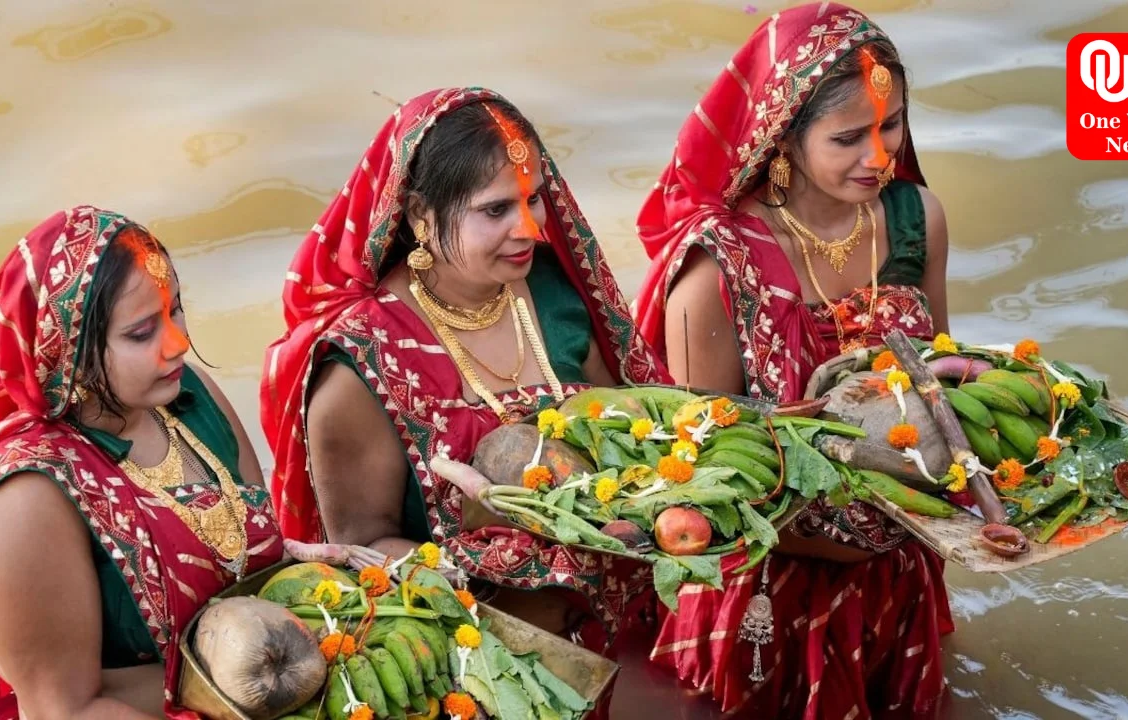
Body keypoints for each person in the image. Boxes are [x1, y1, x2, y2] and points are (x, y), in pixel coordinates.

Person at [260, 87, 670, 658]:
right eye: (497, 209)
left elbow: (630, 426)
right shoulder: (362, 361)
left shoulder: (556, 293)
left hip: (618, 625)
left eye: (535, 199)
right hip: (481, 656)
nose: (528, 228)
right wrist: (497, 552)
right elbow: (364, 552)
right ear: (421, 218)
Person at [631, 4, 954, 718]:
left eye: (892, 124)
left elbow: (936, 383)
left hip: (900, 552)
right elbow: (706, 472)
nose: (880, 156)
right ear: (784, 137)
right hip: (768, 585)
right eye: (848, 138)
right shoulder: (717, 271)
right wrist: (831, 536)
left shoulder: (914, 219)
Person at [0, 207, 291, 719]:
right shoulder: (23, 499)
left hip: (280, 680)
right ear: (67, 351)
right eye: (141, 332)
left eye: (176, 310)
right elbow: (64, 710)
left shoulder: (188, 400)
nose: (178, 345)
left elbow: (268, 563)